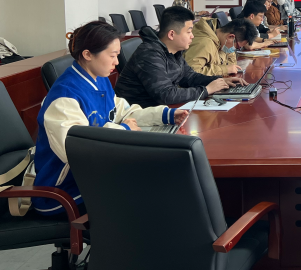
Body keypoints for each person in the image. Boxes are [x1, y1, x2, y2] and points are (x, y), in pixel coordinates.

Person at [33, 21, 190, 215]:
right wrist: (124, 130)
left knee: (162, 180)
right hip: (64, 192)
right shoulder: (64, 97)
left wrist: (164, 115)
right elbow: (76, 150)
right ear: (88, 54)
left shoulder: (99, 79)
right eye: (112, 55)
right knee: (155, 190)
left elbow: (123, 113)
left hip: (97, 175)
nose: (117, 62)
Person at [115, 7, 245, 107]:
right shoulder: (150, 54)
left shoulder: (174, 51)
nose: (192, 36)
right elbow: (165, 95)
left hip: (160, 111)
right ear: (171, 34)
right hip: (138, 118)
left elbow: (189, 77)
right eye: (189, 32)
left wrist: (219, 81)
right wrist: (206, 90)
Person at [184, 17, 258, 76]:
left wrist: (228, 68)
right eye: (237, 47)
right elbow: (191, 73)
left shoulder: (222, 40)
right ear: (230, 37)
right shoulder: (204, 44)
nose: (234, 50)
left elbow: (232, 63)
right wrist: (224, 69)